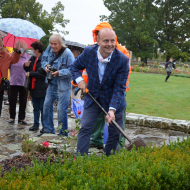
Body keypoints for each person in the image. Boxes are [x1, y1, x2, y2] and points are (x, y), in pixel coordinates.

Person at [71, 28, 129, 156]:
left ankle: (107, 161)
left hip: (114, 100)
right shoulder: (88, 52)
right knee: (86, 128)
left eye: (112, 41)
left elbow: (119, 88)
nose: (110, 44)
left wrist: (112, 110)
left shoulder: (122, 60)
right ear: (98, 41)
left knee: (114, 133)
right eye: (106, 41)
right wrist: (79, 79)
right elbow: (74, 67)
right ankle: (81, 160)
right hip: (93, 97)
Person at [40, 34, 75, 135]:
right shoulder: (49, 49)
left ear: (60, 43)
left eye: (55, 44)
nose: (53, 46)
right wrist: (46, 66)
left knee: (61, 110)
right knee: (46, 106)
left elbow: (73, 70)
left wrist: (59, 72)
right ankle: (49, 130)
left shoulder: (68, 54)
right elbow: (43, 60)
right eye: (51, 44)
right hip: (51, 84)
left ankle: (63, 133)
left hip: (64, 86)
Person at [23, 41, 48, 131]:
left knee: (43, 108)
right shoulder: (33, 58)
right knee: (35, 108)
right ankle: (36, 124)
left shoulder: (44, 59)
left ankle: (45, 126)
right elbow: (28, 69)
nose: (31, 50)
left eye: (32, 49)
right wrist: (25, 66)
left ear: (37, 50)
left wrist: (31, 73)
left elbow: (42, 73)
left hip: (42, 87)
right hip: (33, 86)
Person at [9, 40, 30, 124]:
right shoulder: (11, 56)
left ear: (24, 48)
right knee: (12, 100)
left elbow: (30, 69)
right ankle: (12, 117)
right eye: (17, 46)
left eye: (21, 46)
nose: (19, 48)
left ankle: (22, 118)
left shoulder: (28, 57)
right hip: (13, 81)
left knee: (23, 100)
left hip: (23, 81)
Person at [0, 38, 21, 116]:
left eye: (1, 46)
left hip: (0, 85)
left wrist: (18, 51)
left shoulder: (5, 55)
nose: (0, 48)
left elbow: (14, 60)